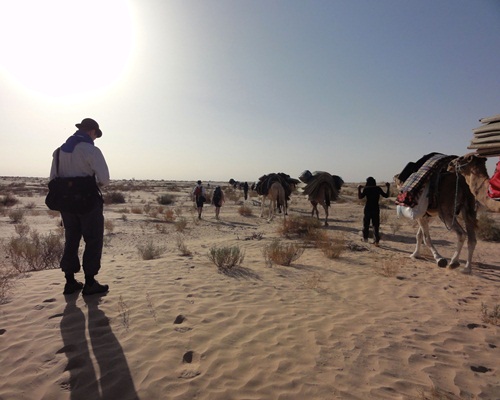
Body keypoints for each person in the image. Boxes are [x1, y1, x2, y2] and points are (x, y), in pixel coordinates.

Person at [50, 118, 110, 296]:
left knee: (71, 239)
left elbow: (53, 178)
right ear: (92, 131)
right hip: (88, 202)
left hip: (66, 204)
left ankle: (70, 282)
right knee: (93, 240)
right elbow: (105, 179)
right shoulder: (91, 150)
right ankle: (90, 283)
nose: (95, 138)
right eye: (95, 135)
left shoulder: (59, 152)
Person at [358, 177, 390, 246]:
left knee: (366, 224)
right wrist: (388, 187)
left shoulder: (366, 189)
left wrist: (359, 189)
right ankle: (376, 241)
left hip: (368, 208)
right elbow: (386, 195)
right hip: (375, 208)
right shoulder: (377, 188)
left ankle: (365, 239)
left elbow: (360, 197)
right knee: (376, 225)